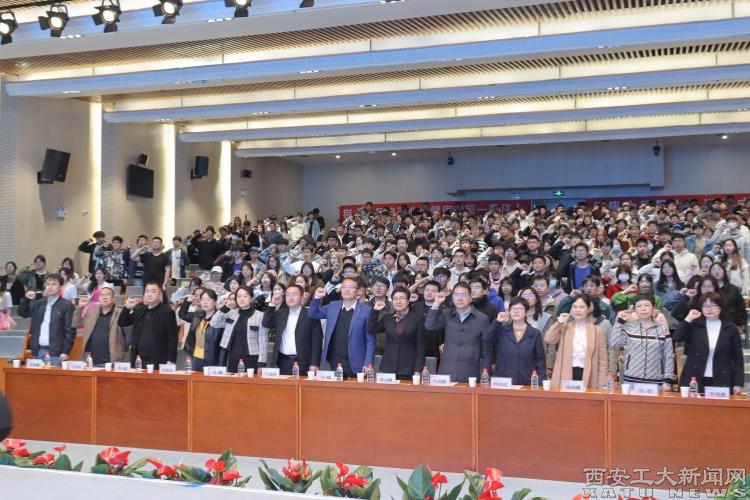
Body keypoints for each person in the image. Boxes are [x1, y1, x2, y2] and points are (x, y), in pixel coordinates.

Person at [673, 292, 743, 395]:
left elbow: (738, 358)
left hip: (722, 377)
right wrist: (688, 318)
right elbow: (677, 337)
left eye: (713, 305)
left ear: (720, 308)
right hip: (694, 377)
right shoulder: (694, 325)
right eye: (705, 306)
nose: (709, 309)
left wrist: (738, 383)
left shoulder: (730, 328)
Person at [308, 277, 375, 378]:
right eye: (344, 287)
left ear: (358, 292)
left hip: (357, 362)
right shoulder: (333, 306)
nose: (347, 290)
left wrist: (368, 363)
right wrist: (317, 297)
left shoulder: (366, 311)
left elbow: (370, 340)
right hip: (335, 359)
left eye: (350, 287)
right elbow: (313, 314)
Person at [425, 282, 490, 382]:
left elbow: (487, 350)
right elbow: (429, 326)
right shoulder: (446, 314)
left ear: (470, 298)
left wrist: (486, 373)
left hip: (470, 373)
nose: (459, 298)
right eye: (456, 295)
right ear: (452, 297)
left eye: (463, 295)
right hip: (446, 372)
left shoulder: (482, 319)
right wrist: (436, 303)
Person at [544, 294, 608, 389]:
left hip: (589, 373)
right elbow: (548, 339)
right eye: (575, 307)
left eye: (582, 307)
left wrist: (602, 382)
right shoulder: (565, 327)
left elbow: (602, 359)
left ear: (589, 309)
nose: (578, 310)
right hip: (566, 372)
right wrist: (559, 322)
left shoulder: (597, 331)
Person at [610, 294, 674, 389]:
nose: (643, 309)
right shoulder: (629, 327)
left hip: (656, 381)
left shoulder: (662, 329)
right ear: (635, 310)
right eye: (639, 306)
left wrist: (668, 380)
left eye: (647, 305)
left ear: (653, 308)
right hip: (631, 380)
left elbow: (668, 355)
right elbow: (615, 342)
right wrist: (619, 322)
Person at [482, 297, 546, 385]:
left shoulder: (535, 333)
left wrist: (541, 381)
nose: (516, 311)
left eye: (520, 308)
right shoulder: (502, 330)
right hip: (503, 381)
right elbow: (486, 338)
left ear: (526, 312)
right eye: (513, 308)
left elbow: (540, 360)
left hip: (527, 380)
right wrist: (497, 321)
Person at [262, 283, 323, 375]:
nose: (290, 297)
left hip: (304, 362)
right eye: (288, 295)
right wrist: (272, 304)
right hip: (283, 361)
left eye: (294, 294)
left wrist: (315, 363)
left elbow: (317, 341)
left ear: (302, 297)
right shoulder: (280, 314)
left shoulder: (310, 314)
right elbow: (266, 323)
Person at [367, 286, 425, 379]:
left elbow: (420, 346)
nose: (398, 301)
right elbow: (371, 329)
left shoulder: (417, 318)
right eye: (395, 299)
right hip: (389, 365)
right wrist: (376, 311)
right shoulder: (387, 318)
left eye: (402, 298)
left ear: (408, 300)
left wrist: (418, 369)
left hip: (409, 367)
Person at [18, 274, 76, 366]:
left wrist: (65, 351)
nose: (50, 287)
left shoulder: (67, 305)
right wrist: (26, 299)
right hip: (38, 350)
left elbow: (70, 331)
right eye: (48, 284)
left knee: (53, 375)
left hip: (56, 353)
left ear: (61, 287)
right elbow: (23, 313)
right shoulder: (38, 304)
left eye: (54, 284)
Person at [118, 282, 178, 367]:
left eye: (153, 291)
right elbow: (122, 322)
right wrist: (127, 308)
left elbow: (172, 338)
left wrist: (171, 360)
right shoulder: (139, 310)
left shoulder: (167, 312)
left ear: (160, 294)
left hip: (158, 359)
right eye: (147, 291)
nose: (149, 294)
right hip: (138, 359)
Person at [211, 285, 268, 373]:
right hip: (232, 357)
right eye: (239, 296)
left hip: (252, 358)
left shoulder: (260, 316)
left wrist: (262, 362)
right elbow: (214, 323)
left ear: (251, 298)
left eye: (245, 296)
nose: (241, 299)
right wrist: (225, 307)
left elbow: (263, 340)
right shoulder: (230, 313)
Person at [72, 286, 127, 366]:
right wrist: (80, 308)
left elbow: (128, 336)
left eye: (107, 295)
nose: (104, 297)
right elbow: (76, 324)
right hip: (91, 360)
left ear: (113, 298)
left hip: (111, 360)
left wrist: (121, 352)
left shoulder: (120, 314)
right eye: (101, 295)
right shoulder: (92, 313)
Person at [179, 289, 222, 370]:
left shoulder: (220, 318)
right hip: (196, 356)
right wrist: (187, 302)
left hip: (212, 358)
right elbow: (182, 314)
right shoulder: (197, 315)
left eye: (208, 300)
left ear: (215, 301)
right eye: (203, 300)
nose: (205, 302)